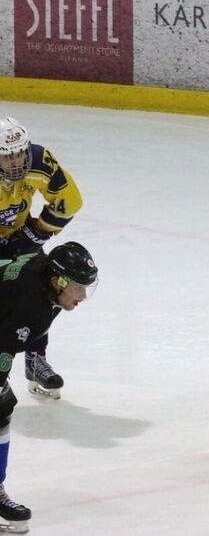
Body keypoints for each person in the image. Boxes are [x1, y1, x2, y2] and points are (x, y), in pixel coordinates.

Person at [0, 242, 98, 532]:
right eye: (78, 288)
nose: (82, 296)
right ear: (59, 281)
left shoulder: (44, 277)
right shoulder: (30, 306)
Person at [0, 116, 83, 399]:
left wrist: (36, 234)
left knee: (47, 286)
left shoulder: (38, 161)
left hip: (19, 236)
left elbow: (70, 201)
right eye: (8, 157)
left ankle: (35, 358)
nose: (17, 163)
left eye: (20, 153)